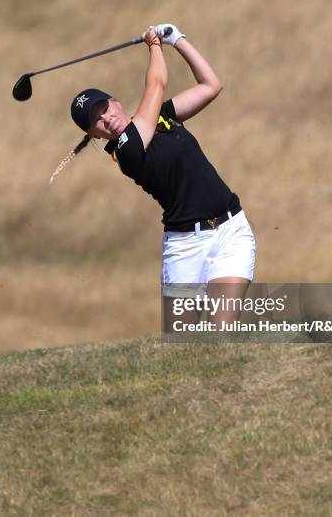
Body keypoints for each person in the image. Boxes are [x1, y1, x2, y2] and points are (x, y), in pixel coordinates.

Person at [50, 24, 256, 330]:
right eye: (96, 121)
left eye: (104, 108)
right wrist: (154, 44)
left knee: (221, 330)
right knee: (183, 342)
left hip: (231, 231)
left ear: (115, 102)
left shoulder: (163, 116)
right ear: (93, 134)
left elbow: (211, 85)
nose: (106, 119)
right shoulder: (127, 151)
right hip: (185, 246)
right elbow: (157, 82)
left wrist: (178, 40)